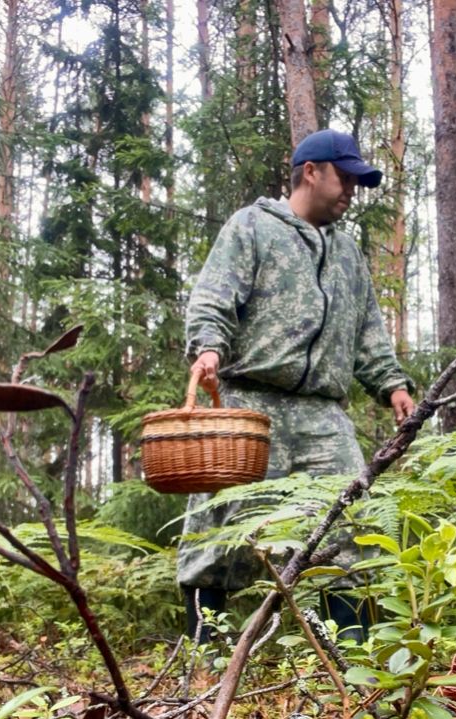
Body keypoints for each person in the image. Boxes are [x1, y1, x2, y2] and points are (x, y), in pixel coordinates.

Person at [176, 129, 415, 643]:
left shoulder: (347, 251)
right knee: (222, 530)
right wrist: (209, 346)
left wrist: (392, 385)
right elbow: (214, 295)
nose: (352, 189)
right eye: (344, 177)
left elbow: (367, 329)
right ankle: (205, 659)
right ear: (311, 171)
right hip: (248, 404)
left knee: (350, 525)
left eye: (357, 179)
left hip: (322, 416)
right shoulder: (253, 227)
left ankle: (352, 661)